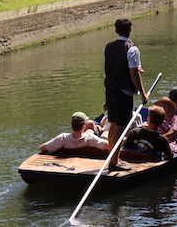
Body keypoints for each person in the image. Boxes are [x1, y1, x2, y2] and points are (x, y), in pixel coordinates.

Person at [104, 18, 149, 170]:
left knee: (113, 124)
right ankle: (114, 163)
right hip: (123, 93)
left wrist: (135, 69)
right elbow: (133, 74)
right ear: (130, 30)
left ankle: (112, 159)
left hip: (110, 91)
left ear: (116, 30)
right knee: (120, 127)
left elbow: (115, 67)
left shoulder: (108, 47)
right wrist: (143, 94)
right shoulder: (132, 49)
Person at [40, 111, 109, 153]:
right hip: (92, 145)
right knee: (105, 132)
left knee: (90, 130)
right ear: (84, 125)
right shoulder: (90, 138)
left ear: (71, 124)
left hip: (69, 152)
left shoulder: (62, 138)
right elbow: (108, 146)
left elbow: (43, 148)